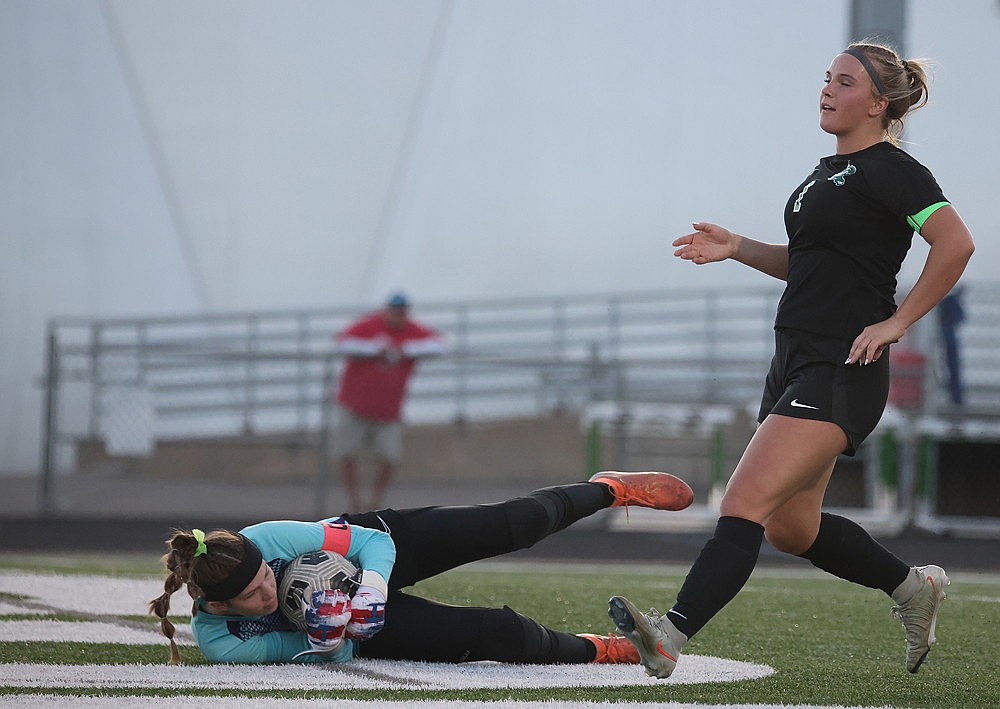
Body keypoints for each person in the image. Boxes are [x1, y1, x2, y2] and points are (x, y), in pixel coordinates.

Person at [608, 41, 975, 679]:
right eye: (826, 80)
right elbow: (805, 265)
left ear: (879, 103)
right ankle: (913, 588)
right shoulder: (823, 174)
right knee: (789, 528)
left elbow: (956, 243)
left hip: (842, 366)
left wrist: (897, 323)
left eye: (844, 82)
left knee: (744, 501)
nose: (827, 91)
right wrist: (738, 246)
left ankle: (669, 636)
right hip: (794, 360)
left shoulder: (894, 170)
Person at [148, 471, 694, 666]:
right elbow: (318, 653)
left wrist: (374, 587)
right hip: (357, 633)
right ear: (219, 605)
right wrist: (329, 635)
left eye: (268, 576)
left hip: (372, 548)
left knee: (511, 524)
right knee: (496, 634)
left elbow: (367, 542)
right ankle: (603, 648)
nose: (268, 588)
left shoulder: (263, 540)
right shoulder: (220, 641)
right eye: (255, 595)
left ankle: (608, 489)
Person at [330, 292, 445, 511]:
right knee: (346, 453)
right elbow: (342, 343)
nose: (398, 316)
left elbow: (438, 345)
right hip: (354, 405)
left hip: (388, 410)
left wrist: (406, 350)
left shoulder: (411, 331)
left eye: (402, 312)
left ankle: (375, 501)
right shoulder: (369, 325)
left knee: (389, 457)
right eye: (394, 311)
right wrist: (374, 350)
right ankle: (354, 500)